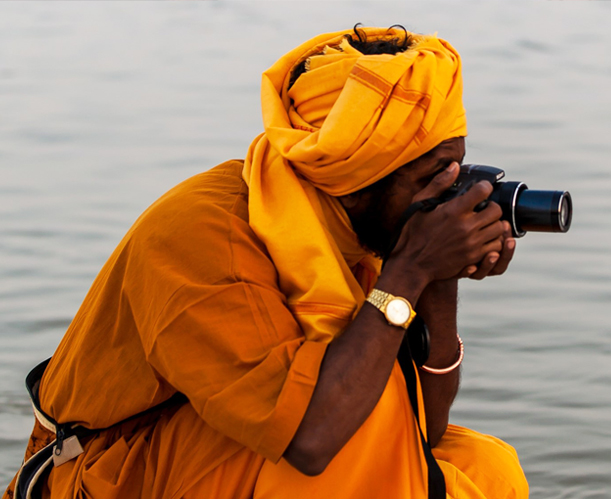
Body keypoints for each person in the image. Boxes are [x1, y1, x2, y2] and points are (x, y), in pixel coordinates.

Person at [5, 26, 528, 499]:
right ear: (358, 180)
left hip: (255, 443)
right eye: (436, 176)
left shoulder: (349, 227)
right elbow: (314, 438)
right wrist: (409, 271)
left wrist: (439, 277)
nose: (452, 190)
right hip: (106, 473)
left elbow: (424, 427)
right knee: (360, 433)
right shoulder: (203, 236)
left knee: (486, 467)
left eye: (457, 169)